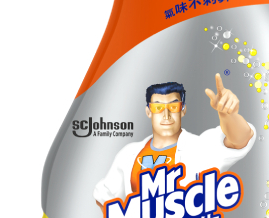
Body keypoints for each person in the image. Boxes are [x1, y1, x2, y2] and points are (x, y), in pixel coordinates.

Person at [93, 74, 255, 204]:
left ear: (182, 110)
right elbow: (104, 196)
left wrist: (228, 116)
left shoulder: (200, 147)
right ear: (148, 112)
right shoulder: (129, 154)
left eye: (173, 106)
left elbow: (240, 140)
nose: (166, 115)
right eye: (158, 107)